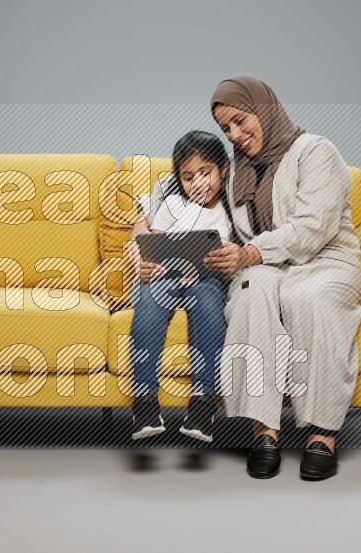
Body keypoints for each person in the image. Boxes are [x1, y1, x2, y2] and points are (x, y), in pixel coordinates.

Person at [202, 75, 361, 480]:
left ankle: (321, 434)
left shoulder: (316, 152)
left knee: (308, 297)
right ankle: (264, 431)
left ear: (264, 109)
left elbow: (312, 228)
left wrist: (252, 253)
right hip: (268, 267)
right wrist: (145, 221)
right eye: (226, 129)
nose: (236, 134)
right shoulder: (237, 170)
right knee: (249, 290)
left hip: (328, 262)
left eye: (242, 121)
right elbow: (185, 183)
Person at [127, 130, 232, 443]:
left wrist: (206, 267)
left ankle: (203, 403)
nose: (197, 183)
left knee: (211, 306)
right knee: (148, 303)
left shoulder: (229, 210)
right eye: (188, 177)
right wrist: (150, 261)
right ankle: (144, 402)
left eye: (205, 173)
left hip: (206, 279)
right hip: (164, 276)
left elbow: (231, 254)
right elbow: (153, 240)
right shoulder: (171, 202)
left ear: (222, 170)